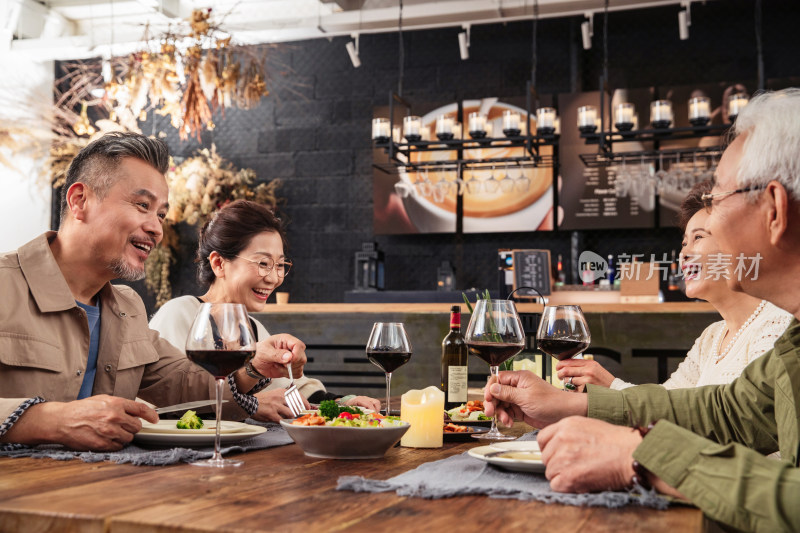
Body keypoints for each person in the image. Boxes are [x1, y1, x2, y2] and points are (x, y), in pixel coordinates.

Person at [485, 88, 800, 533]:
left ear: (774, 210)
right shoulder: (794, 343)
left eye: (721, 199)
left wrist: (639, 458)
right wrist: (561, 404)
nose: (706, 226)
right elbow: (724, 412)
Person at [0, 132, 304, 452]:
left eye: (160, 214)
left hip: (104, 490)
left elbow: (186, 384)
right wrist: (51, 420)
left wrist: (252, 367)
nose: (156, 228)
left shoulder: (128, 307)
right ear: (79, 200)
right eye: (142, 205)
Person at [149, 199, 380, 420]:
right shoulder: (180, 314)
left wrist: (344, 403)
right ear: (218, 263)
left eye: (279, 265)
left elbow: (297, 392)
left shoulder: (253, 328)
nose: (273, 278)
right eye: (263, 263)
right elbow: (172, 402)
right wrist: (254, 403)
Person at [557, 180, 792, 391]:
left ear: (737, 244)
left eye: (698, 238)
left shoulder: (778, 325)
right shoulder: (711, 337)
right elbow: (670, 402)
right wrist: (603, 390)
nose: (684, 253)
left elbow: (735, 419)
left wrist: (610, 386)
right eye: (684, 242)